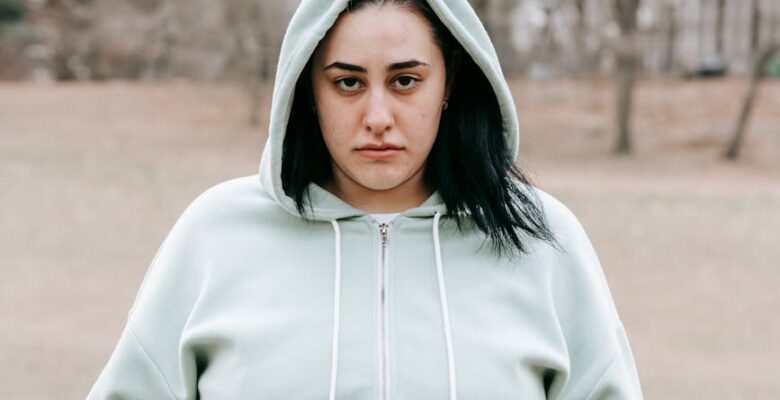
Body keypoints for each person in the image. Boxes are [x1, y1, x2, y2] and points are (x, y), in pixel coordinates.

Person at [87, 0, 643, 399]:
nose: (378, 118)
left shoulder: (541, 239)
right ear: (308, 90)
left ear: (448, 85)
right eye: (348, 83)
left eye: (405, 81)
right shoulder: (214, 235)